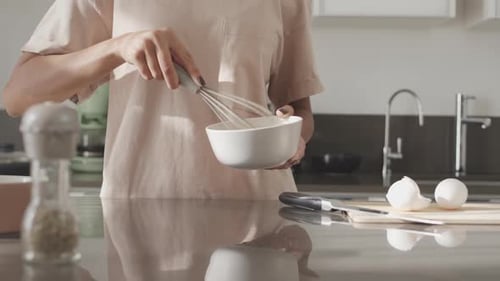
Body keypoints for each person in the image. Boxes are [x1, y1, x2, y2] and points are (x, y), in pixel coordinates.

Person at [1, 0, 323, 199]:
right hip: (144, 218)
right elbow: (18, 95)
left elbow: (300, 111)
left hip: (258, 220)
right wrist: (118, 47)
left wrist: (293, 140)